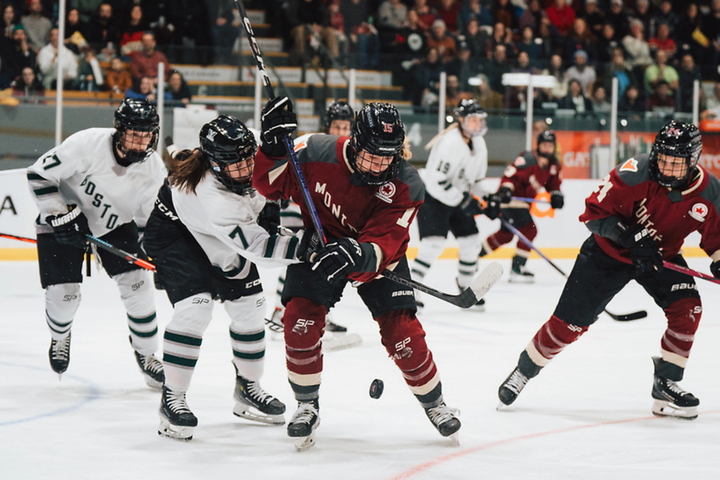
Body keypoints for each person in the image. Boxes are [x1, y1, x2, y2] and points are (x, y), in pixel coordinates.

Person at [253, 98, 462, 450]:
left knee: (403, 336)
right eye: (373, 155)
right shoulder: (312, 151)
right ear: (355, 141)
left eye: (388, 156)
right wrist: (272, 148)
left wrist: (359, 253)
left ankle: (436, 404)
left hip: (376, 261)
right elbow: (268, 185)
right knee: (299, 323)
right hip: (320, 249)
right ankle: (306, 405)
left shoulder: (407, 183)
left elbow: (385, 241)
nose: (381, 165)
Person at [497, 121, 718, 421]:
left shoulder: (709, 191)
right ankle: (525, 369)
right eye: (663, 159)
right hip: (606, 254)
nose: (666, 168)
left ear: (693, 161)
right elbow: (592, 214)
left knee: (688, 308)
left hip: (659, 259)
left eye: (675, 163)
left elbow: (716, 238)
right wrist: (631, 236)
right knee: (568, 325)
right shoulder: (634, 172)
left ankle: (666, 382)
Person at [143, 116, 311, 441]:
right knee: (196, 307)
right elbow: (260, 249)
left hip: (219, 235)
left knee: (251, 305)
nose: (247, 169)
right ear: (215, 165)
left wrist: (281, 128)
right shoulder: (213, 197)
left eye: (251, 159)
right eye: (236, 165)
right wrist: (308, 249)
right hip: (177, 234)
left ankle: (248, 388)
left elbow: (280, 166)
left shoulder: (251, 150)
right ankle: (172, 398)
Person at [26, 98, 166, 388]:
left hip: (114, 224)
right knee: (64, 296)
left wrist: (157, 254)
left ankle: (146, 352)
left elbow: (150, 222)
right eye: (134, 134)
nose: (141, 143)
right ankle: (60, 335)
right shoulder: (86, 143)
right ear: (118, 129)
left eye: (147, 136)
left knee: (138, 284)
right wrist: (60, 214)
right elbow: (39, 175)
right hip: (65, 218)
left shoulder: (153, 170)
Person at [266, 100, 361, 351]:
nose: (341, 131)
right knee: (299, 259)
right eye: (336, 126)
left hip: (325, 215)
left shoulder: (351, 152)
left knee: (324, 264)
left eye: (345, 126)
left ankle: (318, 314)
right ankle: (280, 312)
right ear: (326, 126)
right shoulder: (314, 145)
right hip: (301, 211)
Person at [410, 99, 488, 310]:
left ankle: (465, 286)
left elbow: (477, 181)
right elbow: (436, 181)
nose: (477, 124)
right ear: (461, 120)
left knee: (471, 243)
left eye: (479, 120)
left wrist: (488, 201)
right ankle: (412, 289)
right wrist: (464, 200)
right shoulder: (449, 143)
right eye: (473, 120)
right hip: (433, 198)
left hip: (457, 198)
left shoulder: (479, 144)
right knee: (432, 245)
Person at [479, 130, 564, 283]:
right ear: (538, 145)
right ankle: (517, 268)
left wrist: (556, 195)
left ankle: (474, 255)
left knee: (506, 235)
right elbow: (510, 175)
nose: (547, 148)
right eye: (544, 144)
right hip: (510, 200)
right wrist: (506, 189)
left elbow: (553, 185)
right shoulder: (528, 159)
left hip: (523, 204)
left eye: (550, 145)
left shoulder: (553, 166)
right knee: (529, 230)